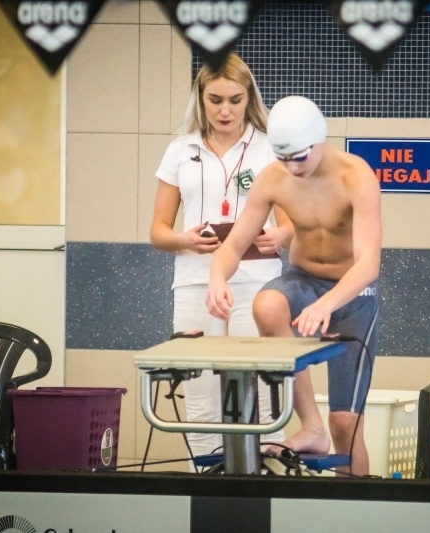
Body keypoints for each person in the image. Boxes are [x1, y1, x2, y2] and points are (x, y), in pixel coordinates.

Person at [206, 95, 382, 476]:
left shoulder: (356, 177)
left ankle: (358, 512)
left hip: (354, 296)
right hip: (303, 282)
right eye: (283, 157)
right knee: (267, 305)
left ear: (320, 140)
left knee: (346, 427)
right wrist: (217, 278)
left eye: (299, 157)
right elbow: (234, 245)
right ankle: (311, 425)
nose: (292, 167)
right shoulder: (274, 179)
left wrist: (327, 304)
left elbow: (368, 264)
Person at [150, 53, 291, 463]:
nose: (225, 110)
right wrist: (183, 239)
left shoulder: (270, 149)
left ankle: (265, 482)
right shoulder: (180, 150)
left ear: (249, 98)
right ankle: (206, 483)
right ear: (200, 99)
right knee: (201, 396)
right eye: (215, 100)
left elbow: (290, 224)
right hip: (196, 282)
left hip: (258, 283)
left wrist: (280, 235)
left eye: (235, 99)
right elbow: (157, 231)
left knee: (264, 391)